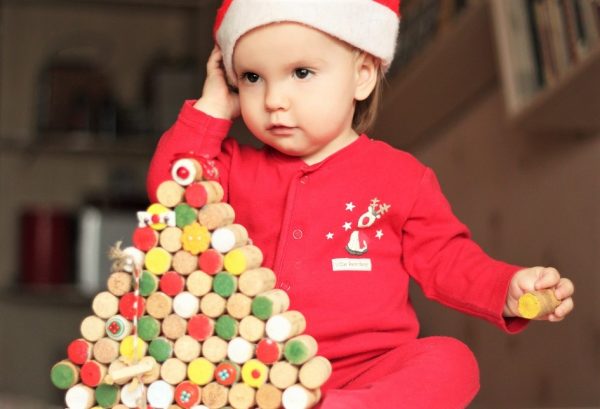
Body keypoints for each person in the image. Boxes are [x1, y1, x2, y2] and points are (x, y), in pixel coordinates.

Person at [147, 1, 575, 407]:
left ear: (363, 75)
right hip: (253, 372)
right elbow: (172, 188)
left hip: (366, 373)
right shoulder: (232, 169)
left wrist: (505, 287)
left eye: (300, 72)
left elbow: (446, 257)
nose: (274, 98)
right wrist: (211, 108)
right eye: (253, 78)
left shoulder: (401, 177)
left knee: (452, 361)